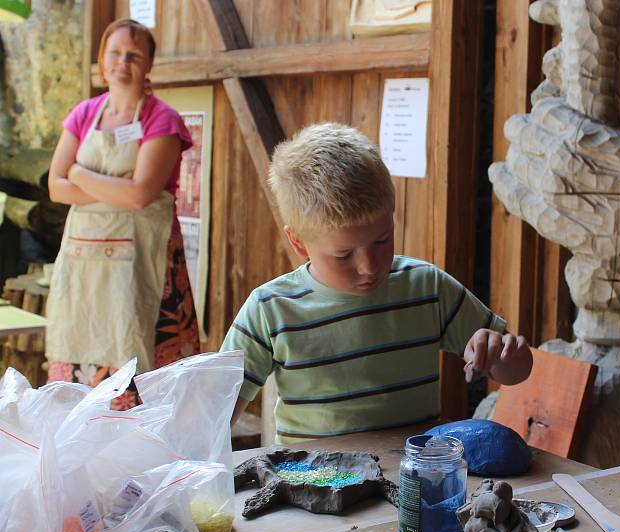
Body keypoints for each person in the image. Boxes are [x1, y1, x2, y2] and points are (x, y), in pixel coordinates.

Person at [221, 123, 533, 443]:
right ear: (299, 243)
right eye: (343, 255)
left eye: (382, 240)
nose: (369, 266)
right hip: (315, 483)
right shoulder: (269, 310)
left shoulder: (427, 287)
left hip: (413, 482)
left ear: (392, 215)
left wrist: (502, 356)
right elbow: (216, 413)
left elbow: (518, 371)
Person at [46, 18, 200, 408]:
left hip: (143, 260)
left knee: (140, 353)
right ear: (102, 59)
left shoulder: (160, 119)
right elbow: (55, 186)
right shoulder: (84, 114)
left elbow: (139, 195)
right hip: (85, 265)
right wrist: (110, 184)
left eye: (134, 55)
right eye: (114, 52)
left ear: (149, 64)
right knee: (82, 352)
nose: (122, 62)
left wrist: (80, 174)